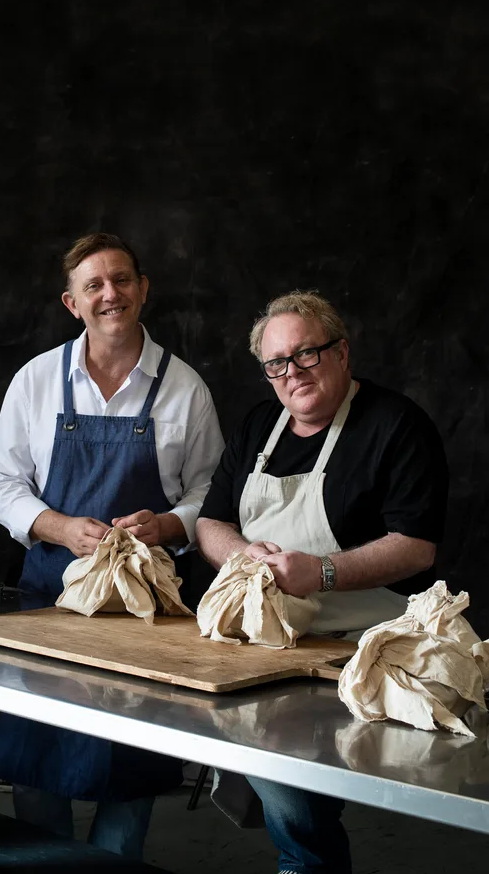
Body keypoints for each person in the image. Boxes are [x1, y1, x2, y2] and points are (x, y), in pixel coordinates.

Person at [0, 232, 224, 859]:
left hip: (146, 616)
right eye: (94, 285)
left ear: (143, 290)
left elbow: (213, 493)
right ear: (73, 303)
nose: (110, 293)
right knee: (38, 761)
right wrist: (59, 527)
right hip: (48, 605)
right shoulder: (37, 380)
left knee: (129, 768)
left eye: (122, 280)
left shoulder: (184, 388)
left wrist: (168, 525)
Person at [195, 290, 448, 874]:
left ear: (341, 352)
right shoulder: (260, 426)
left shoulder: (396, 425)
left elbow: (416, 547)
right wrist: (243, 554)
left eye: (306, 354)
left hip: (366, 647)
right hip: (271, 642)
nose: (293, 373)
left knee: (293, 794)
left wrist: (322, 572)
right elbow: (210, 523)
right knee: (280, 780)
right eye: (277, 363)